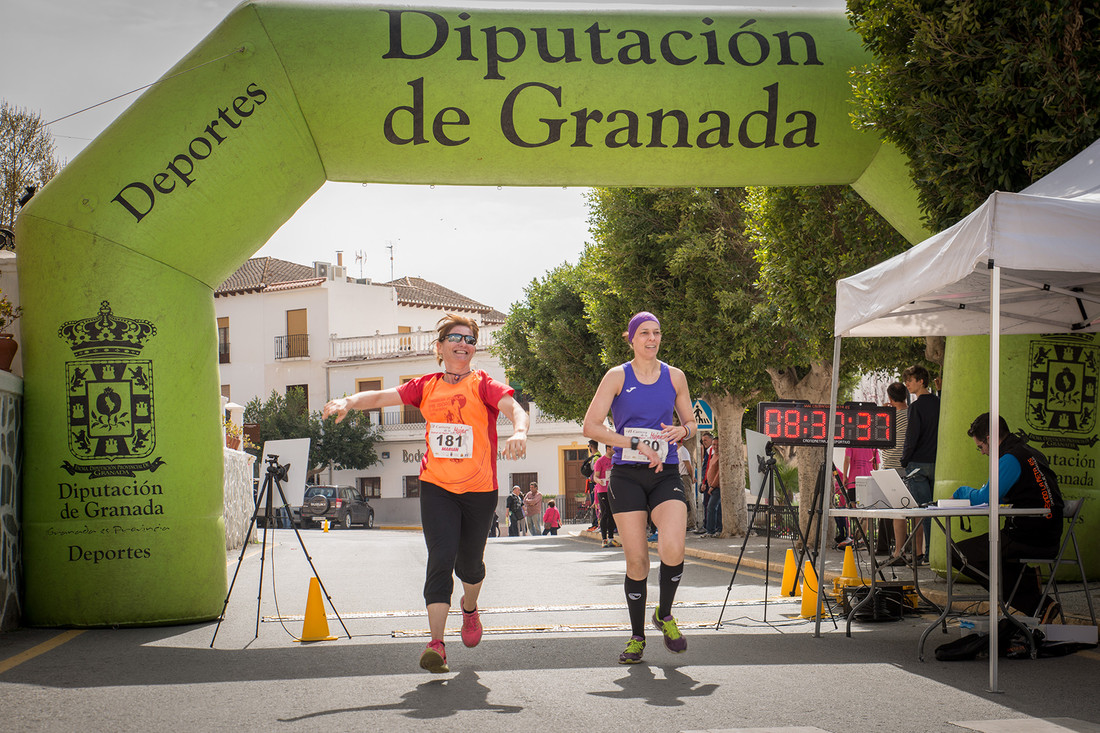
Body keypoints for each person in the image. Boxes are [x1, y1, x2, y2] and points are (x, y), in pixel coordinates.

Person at [322, 313, 528, 674]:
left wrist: (520, 431)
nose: (463, 344)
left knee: (470, 566)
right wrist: (349, 402)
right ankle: (436, 644)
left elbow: (514, 408)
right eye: (456, 337)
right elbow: (383, 397)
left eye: (469, 339)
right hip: (436, 486)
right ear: (440, 346)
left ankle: (469, 609)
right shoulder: (427, 386)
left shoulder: (483, 385)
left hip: (479, 490)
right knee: (440, 558)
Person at [582, 311, 697, 665]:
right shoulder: (617, 376)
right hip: (627, 476)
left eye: (657, 333)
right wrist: (632, 443)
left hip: (666, 474)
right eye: (644, 333)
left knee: (674, 547)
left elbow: (691, 422)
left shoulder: (674, 376)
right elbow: (591, 426)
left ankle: (664, 614)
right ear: (631, 338)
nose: (652, 339)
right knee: (637, 561)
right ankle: (636, 637)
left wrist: (685, 431)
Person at [950, 413, 1064, 620]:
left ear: (990, 438)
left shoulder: (1011, 458)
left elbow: (986, 498)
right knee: (992, 550)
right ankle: (1030, 585)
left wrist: (960, 492)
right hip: (1047, 533)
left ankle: (1038, 605)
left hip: (1030, 536)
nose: (983, 452)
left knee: (957, 553)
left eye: (981, 447)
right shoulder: (1032, 453)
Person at [901, 365, 939, 564]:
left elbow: (911, 437)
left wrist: (904, 460)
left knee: (924, 512)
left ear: (921, 381)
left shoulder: (915, 407)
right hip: (937, 462)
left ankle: (929, 555)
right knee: (937, 512)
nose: (907, 383)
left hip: (917, 464)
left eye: (911, 379)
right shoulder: (939, 403)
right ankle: (935, 553)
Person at [881, 381, 910, 565]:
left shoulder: (887, 417)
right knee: (915, 511)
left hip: (891, 467)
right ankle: (918, 551)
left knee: (898, 512)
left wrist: (885, 411)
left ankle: (899, 551)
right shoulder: (913, 413)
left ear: (890, 398)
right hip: (909, 464)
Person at [841, 444, 879, 549]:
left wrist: (845, 476)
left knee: (853, 510)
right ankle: (862, 539)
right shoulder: (873, 447)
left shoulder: (851, 445)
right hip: (868, 481)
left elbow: (847, 460)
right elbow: (876, 467)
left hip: (854, 481)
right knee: (865, 512)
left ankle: (857, 537)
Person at [593, 444, 619, 548]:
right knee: (605, 513)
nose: (615, 449)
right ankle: (604, 539)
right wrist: (599, 480)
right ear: (608, 449)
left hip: (613, 489)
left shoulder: (615, 460)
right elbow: (595, 476)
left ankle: (611, 539)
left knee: (612, 513)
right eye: (613, 448)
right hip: (603, 490)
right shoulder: (600, 461)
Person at [694, 432, 714, 535]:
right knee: (707, 504)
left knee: (709, 505)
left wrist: (705, 482)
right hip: (707, 482)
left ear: (711, 440)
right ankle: (707, 526)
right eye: (702, 441)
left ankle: (708, 526)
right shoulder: (707, 451)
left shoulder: (711, 451)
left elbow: (709, 468)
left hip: (710, 483)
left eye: (705, 440)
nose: (703, 442)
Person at [703, 437, 722, 538]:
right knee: (716, 509)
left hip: (717, 487)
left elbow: (719, 474)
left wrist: (713, 486)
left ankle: (710, 530)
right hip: (710, 486)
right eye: (714, 444)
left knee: (711, 507)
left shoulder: (721, 457)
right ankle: (718, 529)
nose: (716, 447)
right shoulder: (713, 455)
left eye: (718, 444)